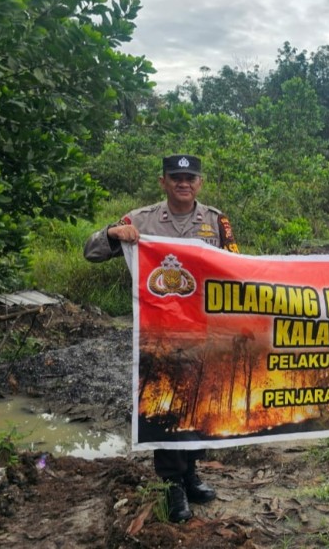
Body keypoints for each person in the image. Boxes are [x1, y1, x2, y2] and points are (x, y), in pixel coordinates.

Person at [83, 154, 239, 522]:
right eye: (176, 177)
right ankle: (172, 485)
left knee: (199, 404)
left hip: (203, 329)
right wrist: (112, 234)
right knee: (166, 403)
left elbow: (237, 264)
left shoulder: (216, 221)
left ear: (199, 183)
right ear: (163, 182)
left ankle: (191, 474)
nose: (184, 183)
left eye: (190, 178)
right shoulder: (142, 219)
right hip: (161, 333)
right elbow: (91, 251)